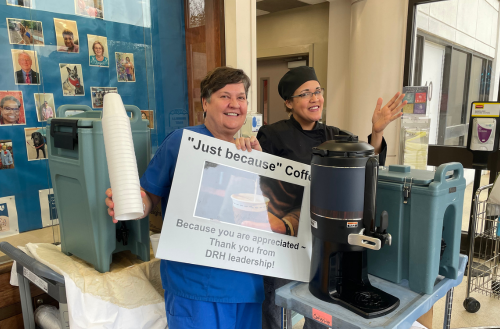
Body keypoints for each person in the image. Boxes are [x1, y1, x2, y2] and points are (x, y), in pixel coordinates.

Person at [106, 67, 265, 329]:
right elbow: (149, 197)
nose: (235, 104)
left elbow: (265, 218)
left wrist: (261, 166)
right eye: (225, 96)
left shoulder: (252, 153)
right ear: (205, 102)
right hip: (196, 289)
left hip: (246, 288)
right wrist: (130, 202)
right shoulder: (182, 142)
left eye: (241, 97)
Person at [256, 66, 407, 329]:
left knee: (320, 305)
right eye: (305, 94)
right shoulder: (272, 135)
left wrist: (377, 131)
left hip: (324, 234)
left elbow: (366, 166)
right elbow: (260, 181)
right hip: (286, 234)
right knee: (276, 300)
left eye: (318, 91)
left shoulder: (333, 135)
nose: (315, 98)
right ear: (288, 103)